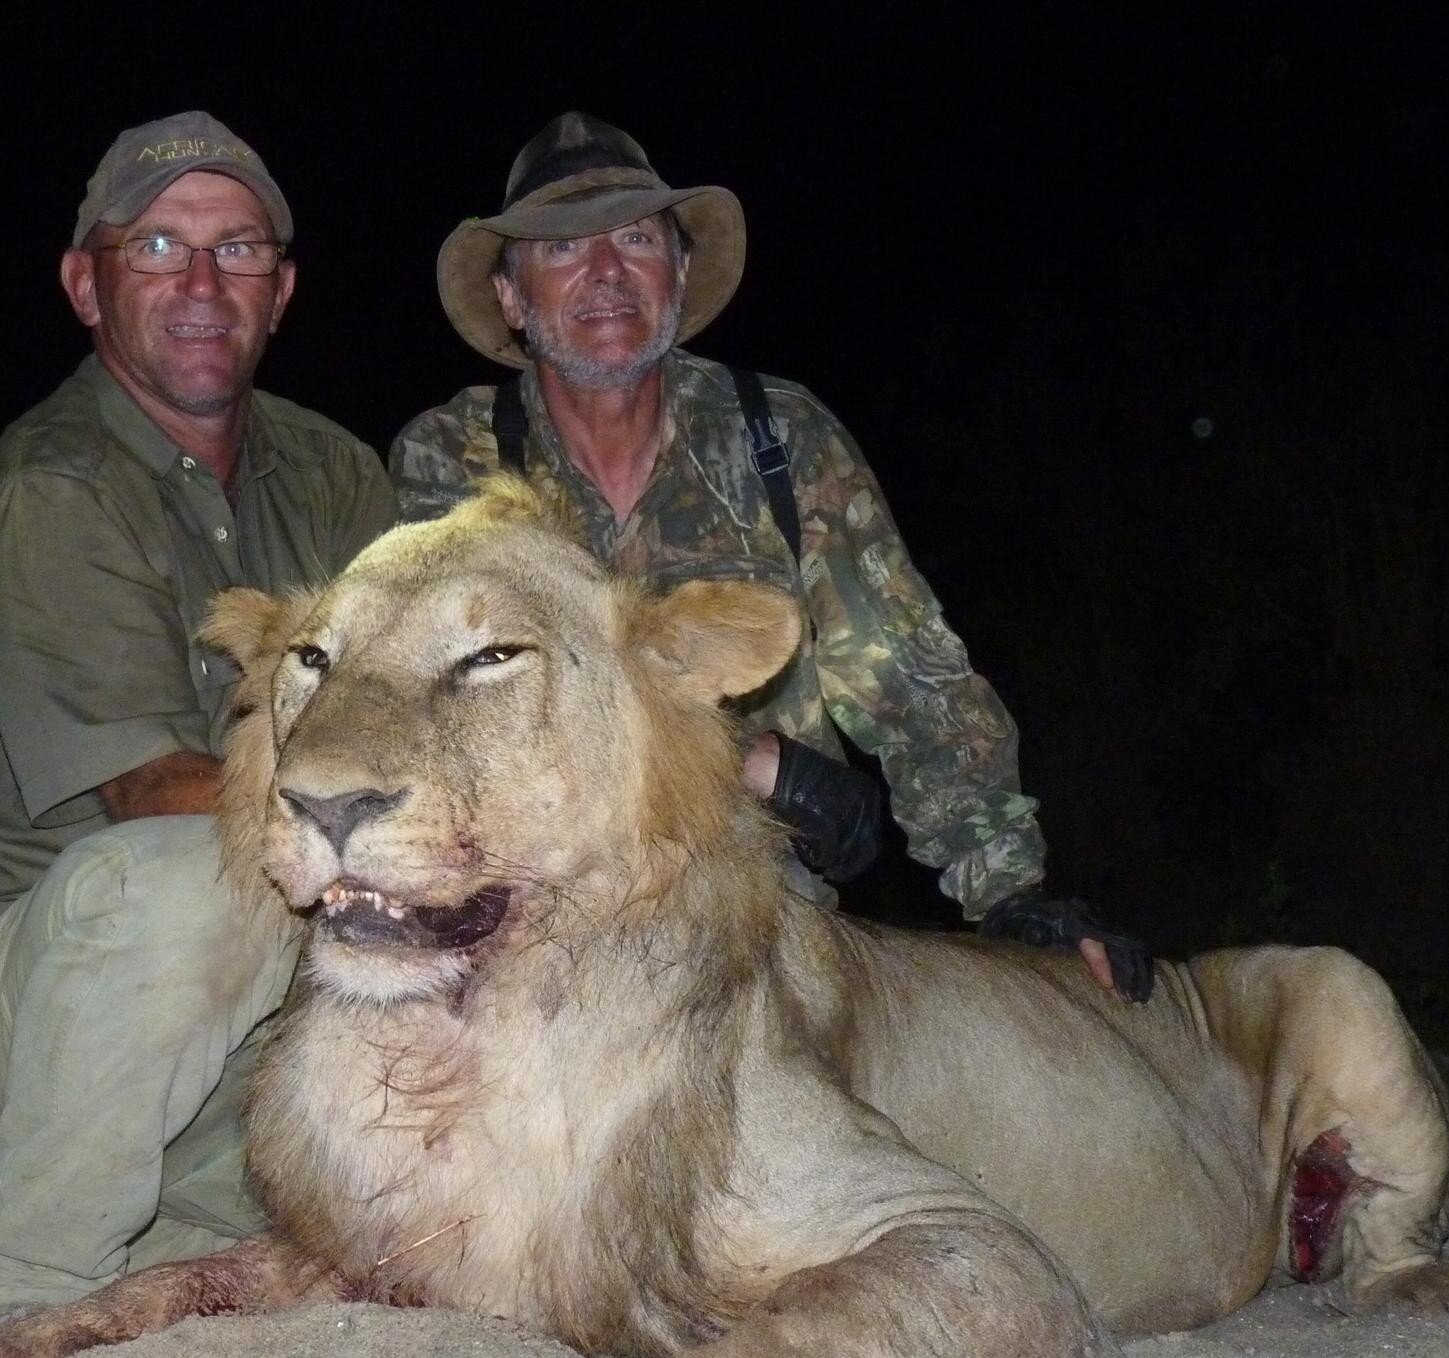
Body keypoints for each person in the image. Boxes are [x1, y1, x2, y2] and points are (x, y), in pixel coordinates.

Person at [391, 112, 1150, 999]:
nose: (604, 270)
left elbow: (906, 672)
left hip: (767, 915)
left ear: (676, 271)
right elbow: (471, 705)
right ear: (513, 298)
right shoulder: (453, 457)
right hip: (541, 907)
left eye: (635, 237)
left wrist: (1012, 891)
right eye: (561, 250)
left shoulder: (778, 436)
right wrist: (755, 761)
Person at [0, 111, 396, 1315]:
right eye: (160, 248)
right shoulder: (50, 491)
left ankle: (197, 1228)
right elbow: (156, 792)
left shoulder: (337, 476)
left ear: (282, 291)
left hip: (263, 994)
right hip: (33, 1000)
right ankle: (17, 1281)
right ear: (88, 284)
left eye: (238, 252)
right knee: (199, 867)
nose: (202, 284)